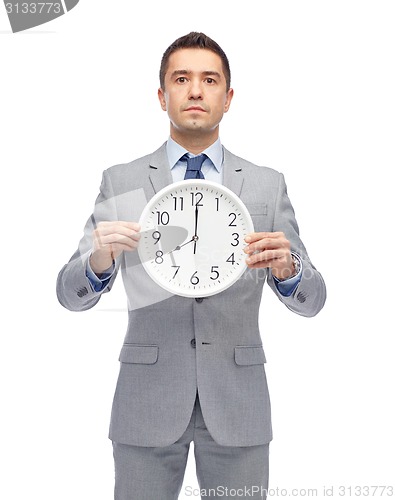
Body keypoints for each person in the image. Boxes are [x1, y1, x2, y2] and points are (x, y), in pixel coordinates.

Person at [57, 32, 326, 500]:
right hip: (146, 399)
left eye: (209, 80)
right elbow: (68, 294)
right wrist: (99, 260)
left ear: (228, 98)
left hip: (238, 403)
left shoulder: (266, 185)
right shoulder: (122, 180)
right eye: (181, 79)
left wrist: (288, 270)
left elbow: (314, 301)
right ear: (162, 96)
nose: (196, 91)